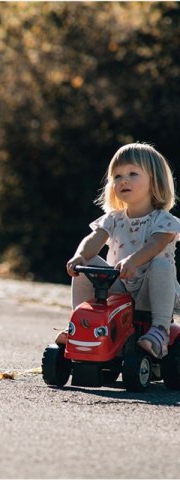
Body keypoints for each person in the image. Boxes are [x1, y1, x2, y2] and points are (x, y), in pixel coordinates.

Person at [56, 142, 180, 359]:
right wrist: (80, 256)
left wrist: (133, 260)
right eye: (117, 176)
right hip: (119, 285)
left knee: (160, 263)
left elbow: (155, 245)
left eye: (133, 173)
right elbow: (94, 238)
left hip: (150, 291)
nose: (123, 180)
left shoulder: (164, 221)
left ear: (155, 181)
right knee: (87, 265)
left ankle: (160, 330)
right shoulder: (114, 218)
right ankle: (82, 322)